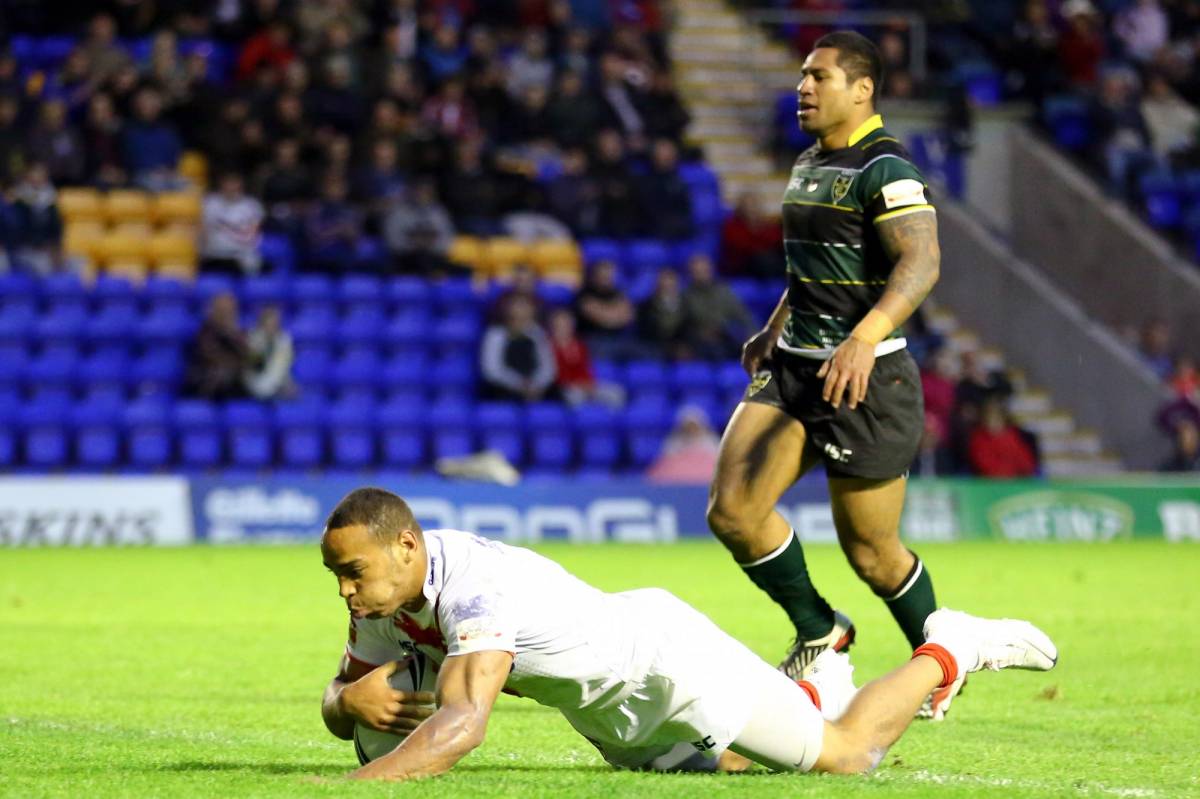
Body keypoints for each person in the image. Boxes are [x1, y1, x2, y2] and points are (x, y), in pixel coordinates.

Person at [318, 487, 1057, 781]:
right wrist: (347, 704)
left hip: (666, 665)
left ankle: (951, 646)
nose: (346, 590)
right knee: (738, 767)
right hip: (607, 712)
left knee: (846, 756)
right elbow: (340, 695)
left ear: (406, 546)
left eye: (353, 572)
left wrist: (351, 788)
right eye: (338, 576)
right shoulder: (381, 599)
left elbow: (464, 724)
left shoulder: (476, 587)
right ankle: (813, 683)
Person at [706, 32, 949, 716]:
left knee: (872, 553)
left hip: (865, 381)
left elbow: (922, 262)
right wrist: (774, 326)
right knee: (732, 510)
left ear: (862, 89)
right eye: (802, 77)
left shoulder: (886, 167)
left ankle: (940, 660)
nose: (803, 88)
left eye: (819, 77)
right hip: (794, 369)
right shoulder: (810, 161)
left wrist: (864, 340)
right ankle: (821, 630)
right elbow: (815, 264)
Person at [479, 295, 557, 403]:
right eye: (517, 305)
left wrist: (536, 384)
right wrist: (518, 384)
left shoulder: (538, 333)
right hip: (504, 390)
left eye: (526, 305)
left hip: (535, 388)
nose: (522, 310)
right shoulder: (495, 334)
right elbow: (491, 370)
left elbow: (548, 366)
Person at [681, 253, 755, 360]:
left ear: (710, 271)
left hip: (723, 337)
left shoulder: (723, 292)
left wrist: (752, 335)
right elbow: (681, 323)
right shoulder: (685, 296)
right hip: (697, 341)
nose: (701, 275)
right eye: (696, 272)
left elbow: (742, 315)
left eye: (704, 271)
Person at [547, 306, 624, 407]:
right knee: (575, 397)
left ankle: (610, 417)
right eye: (560, 324)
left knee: (616, 392)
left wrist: (588, 384)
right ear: (553, 326)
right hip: (564, 387)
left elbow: (585, 368)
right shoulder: (548, 345)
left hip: (585, 384)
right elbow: (553, 374)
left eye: (567, 323)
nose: (564, 327)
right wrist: (577, 384)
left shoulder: (580, 345)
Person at [184, 292, 250, 400]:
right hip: (206, 380)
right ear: (214, 311)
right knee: (221, 374)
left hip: (233, 382)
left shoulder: (238, 333)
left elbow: (247, 355)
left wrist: (233, 335)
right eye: (223, 310)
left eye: (230, 311)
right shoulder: (205, 331)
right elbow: (211, 355)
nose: (227, 314)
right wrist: (236, 364)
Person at [201, 172, 265, 276]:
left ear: (240, 184)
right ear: (221, 184)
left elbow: (253, 235)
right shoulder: (209, 203)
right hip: (214, 254)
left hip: (240, 255)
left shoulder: (252, 205)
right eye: (227, 182)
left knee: (251, 262)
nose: (230, 186)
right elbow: (204, 231)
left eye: (234, 182)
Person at [646, 405, 722, 484]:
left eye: (693, 427)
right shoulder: (673, 444)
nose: (691, 430)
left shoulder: (712, 443)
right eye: (688, 427)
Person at [967, 398, 1039, 478]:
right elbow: (985, 464)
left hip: (1015, 479)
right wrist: (1007, 473)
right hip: (990, 481)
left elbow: (1025, 462)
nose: (993, 423)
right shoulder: (978, 439)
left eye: (997, 419)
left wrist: (1020, 472)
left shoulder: (1011, 436)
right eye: (990, 419)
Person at [243, 305, 295, 400]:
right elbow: (254, 367)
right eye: (268, 323)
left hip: (278, 384)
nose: (271, 327)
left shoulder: (284, 341)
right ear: (261, 324)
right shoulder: (252, 339)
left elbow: (284, 367)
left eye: (274, 323)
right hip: (255, 383)